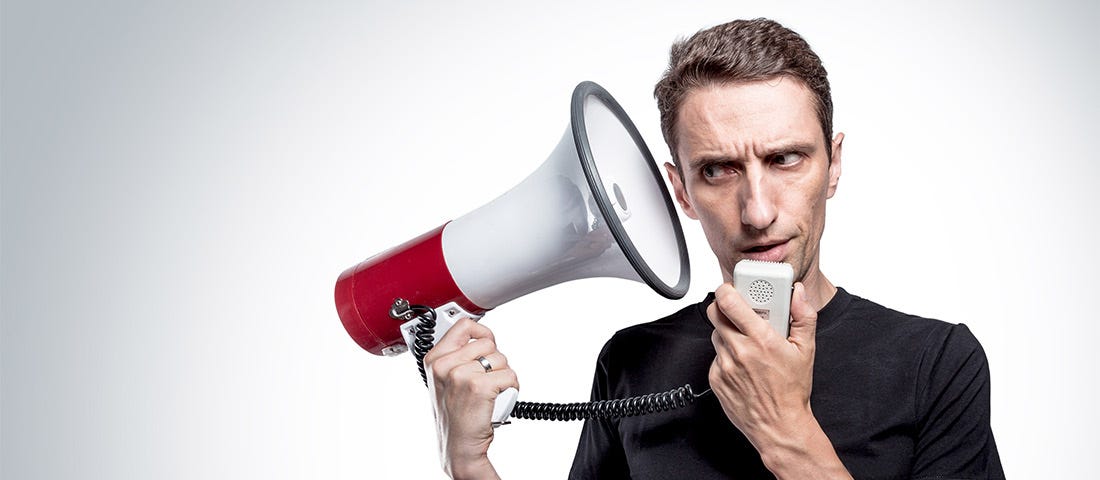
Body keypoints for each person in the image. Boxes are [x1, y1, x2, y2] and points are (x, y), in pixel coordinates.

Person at [423, 18, 1004, 479]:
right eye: (720, 170)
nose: (757, 211)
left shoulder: (937, 361)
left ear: (834, 165)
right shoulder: (631, 363)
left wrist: (786, 433)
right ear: (682, 191)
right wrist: (469, 464)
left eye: (785, 159)